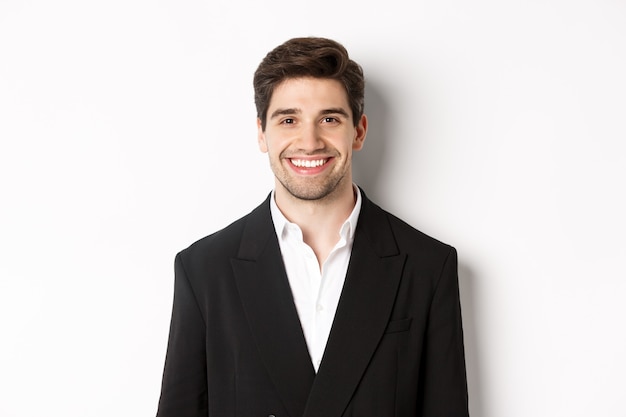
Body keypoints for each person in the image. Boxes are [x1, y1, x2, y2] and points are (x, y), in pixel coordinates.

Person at [156, 36, 469, 417]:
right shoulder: (204, 270)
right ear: (261, 133)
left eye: (329, 119)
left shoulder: (427, 267)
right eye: (288, 120)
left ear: (358, 131)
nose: (309, 141)